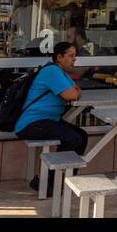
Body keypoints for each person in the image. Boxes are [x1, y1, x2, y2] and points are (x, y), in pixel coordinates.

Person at [14, 41, 87, 191]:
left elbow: (76, 90)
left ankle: (64, 180)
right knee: (74, 139)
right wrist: (75, 92)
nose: (74, 59)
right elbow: (72, 94)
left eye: (75, 56)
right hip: (32, 123)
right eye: (71, 56)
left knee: (82, 136)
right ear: (59, 57)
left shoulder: (61, 72)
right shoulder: (52, 71)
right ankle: (51, 183)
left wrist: (75, 91)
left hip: (47, 120)